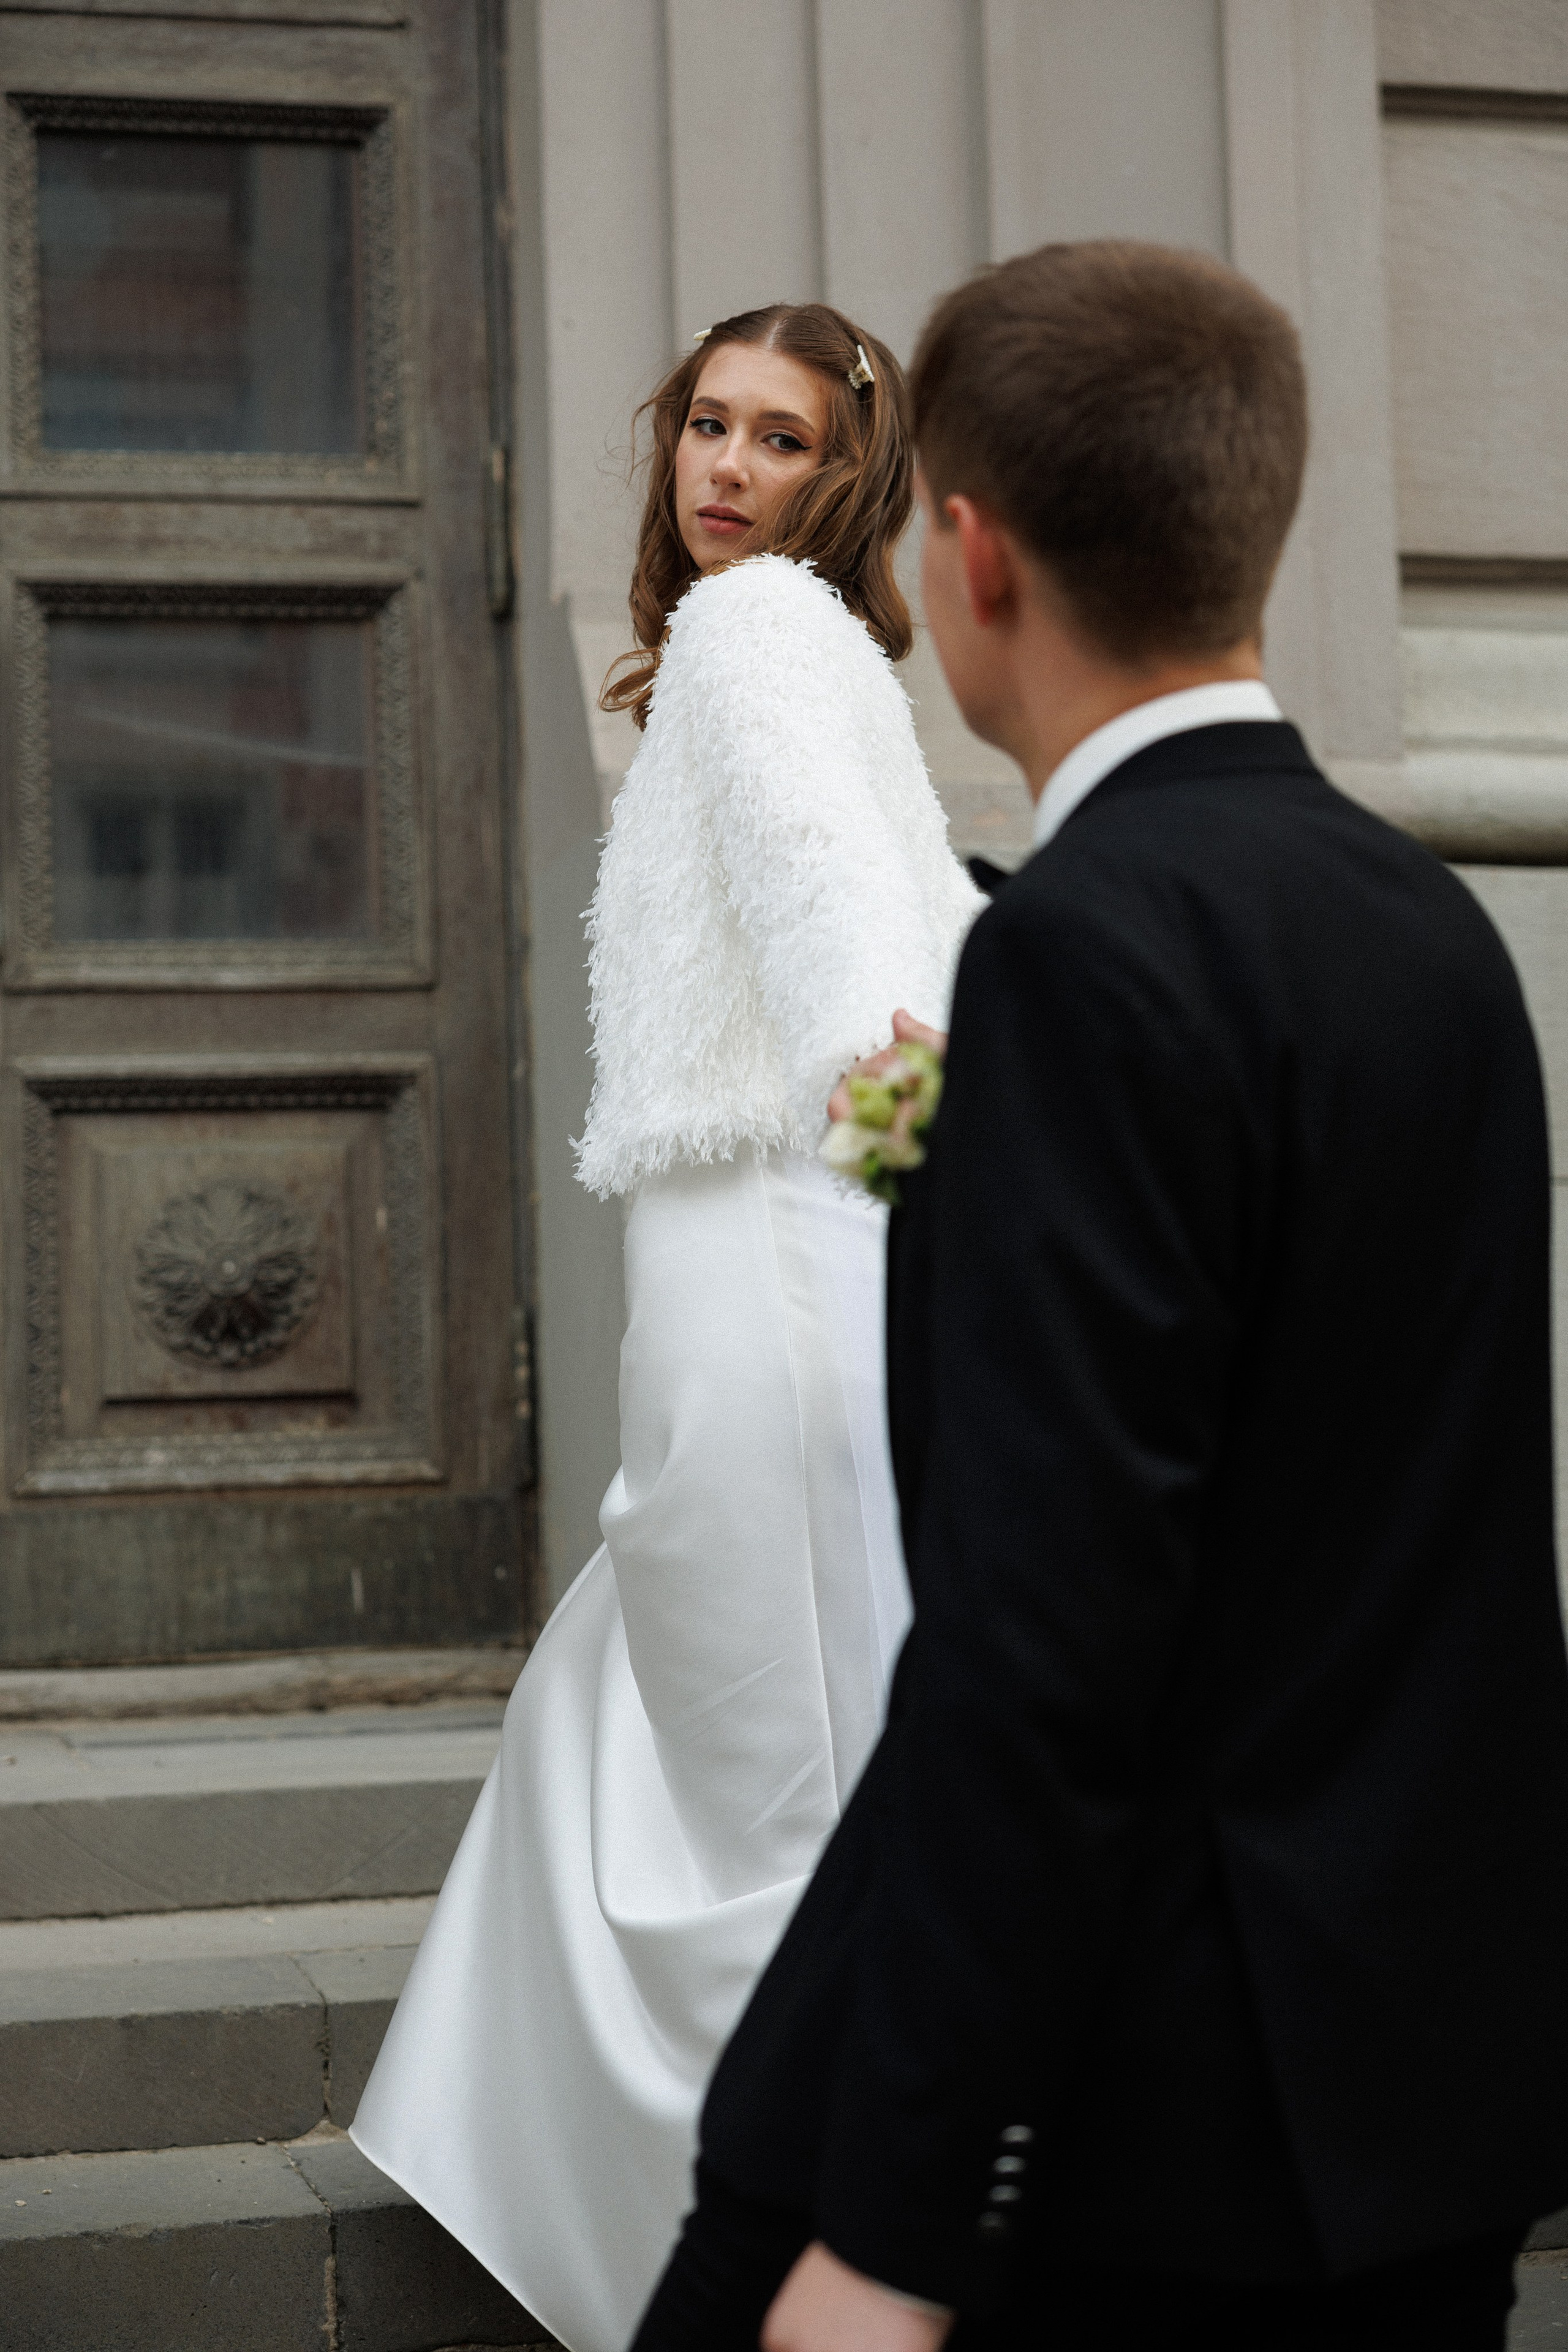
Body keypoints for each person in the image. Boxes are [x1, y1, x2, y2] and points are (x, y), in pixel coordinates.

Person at [631, 241, 1568, 2352]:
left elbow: (1041, 1646)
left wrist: (892, 2223)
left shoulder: (1077, 963)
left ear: (966, 559)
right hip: (1414, 2096)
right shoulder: (1432, 932)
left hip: (1133, 2127)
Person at [349, 301, 983, 2352]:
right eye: (705, 423)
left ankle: (784, 2233)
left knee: (758, 1749)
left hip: (787, 1239)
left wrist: (912, 1140)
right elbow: (945, 924)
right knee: (683, 1706)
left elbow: (850, 924)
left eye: (777, 438)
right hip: (775, 1233)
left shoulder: (758, 639)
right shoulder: (824, 651)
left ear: (848, 473)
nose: (723, 465)